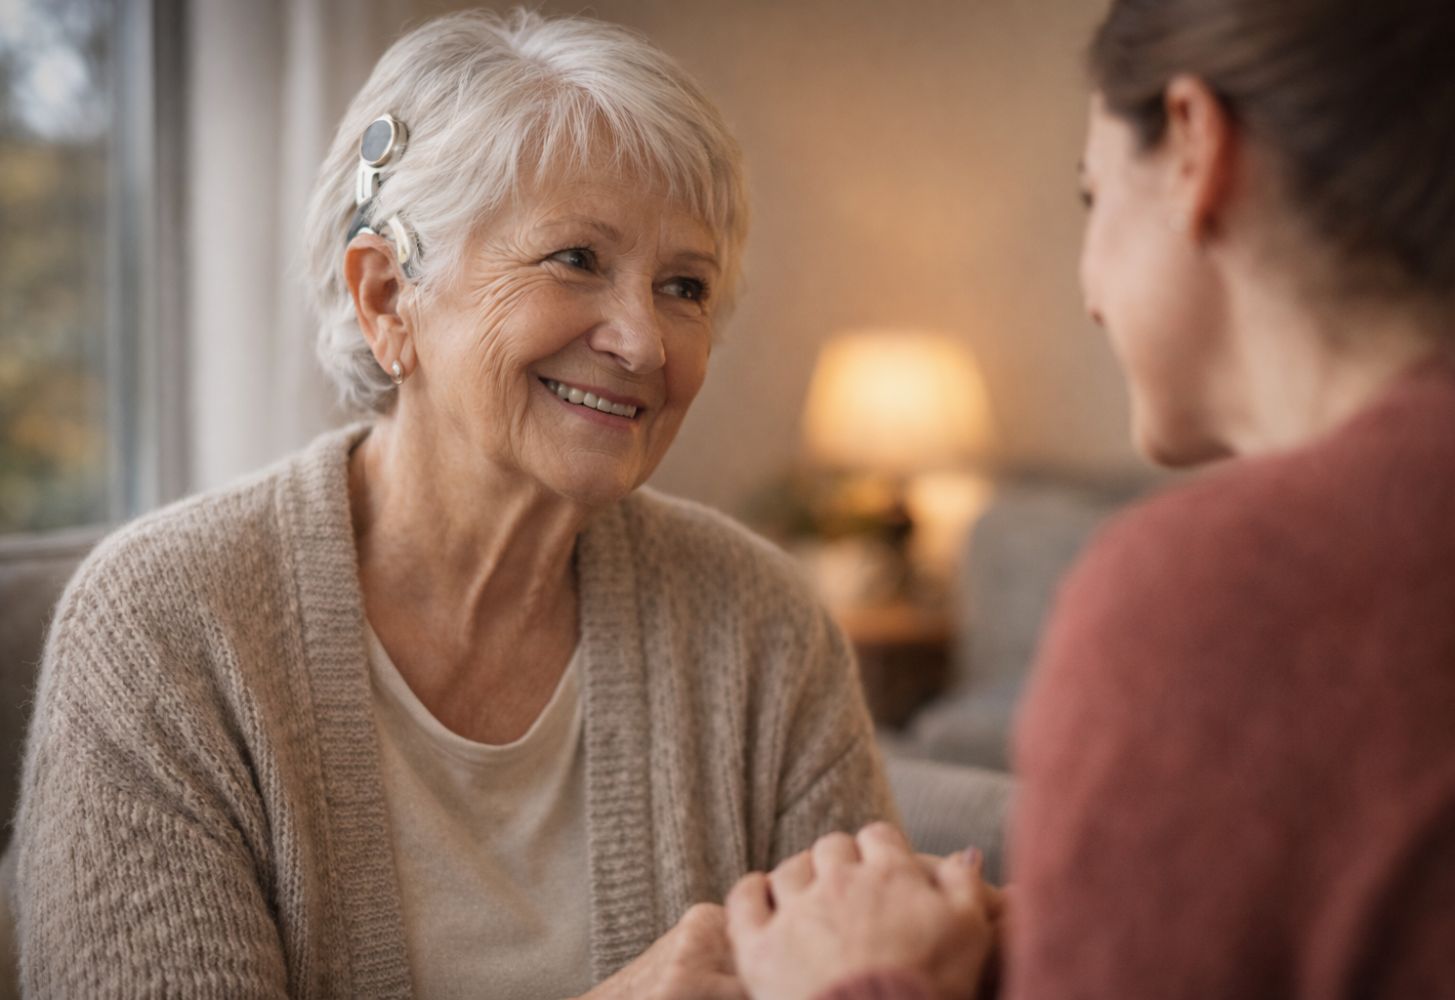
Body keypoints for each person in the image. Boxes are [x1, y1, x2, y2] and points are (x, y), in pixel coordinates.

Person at [12, 9, 895, 997]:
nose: (645, 342)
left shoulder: (766, 626)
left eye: (684, 285)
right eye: (576, 259)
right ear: (388, 297)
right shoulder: (159, 630)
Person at [725, 0, 1455, 997]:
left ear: (1193, 143)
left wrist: (856, 978)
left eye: (1093, 197)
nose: (1091, 286)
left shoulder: (1208, 596)